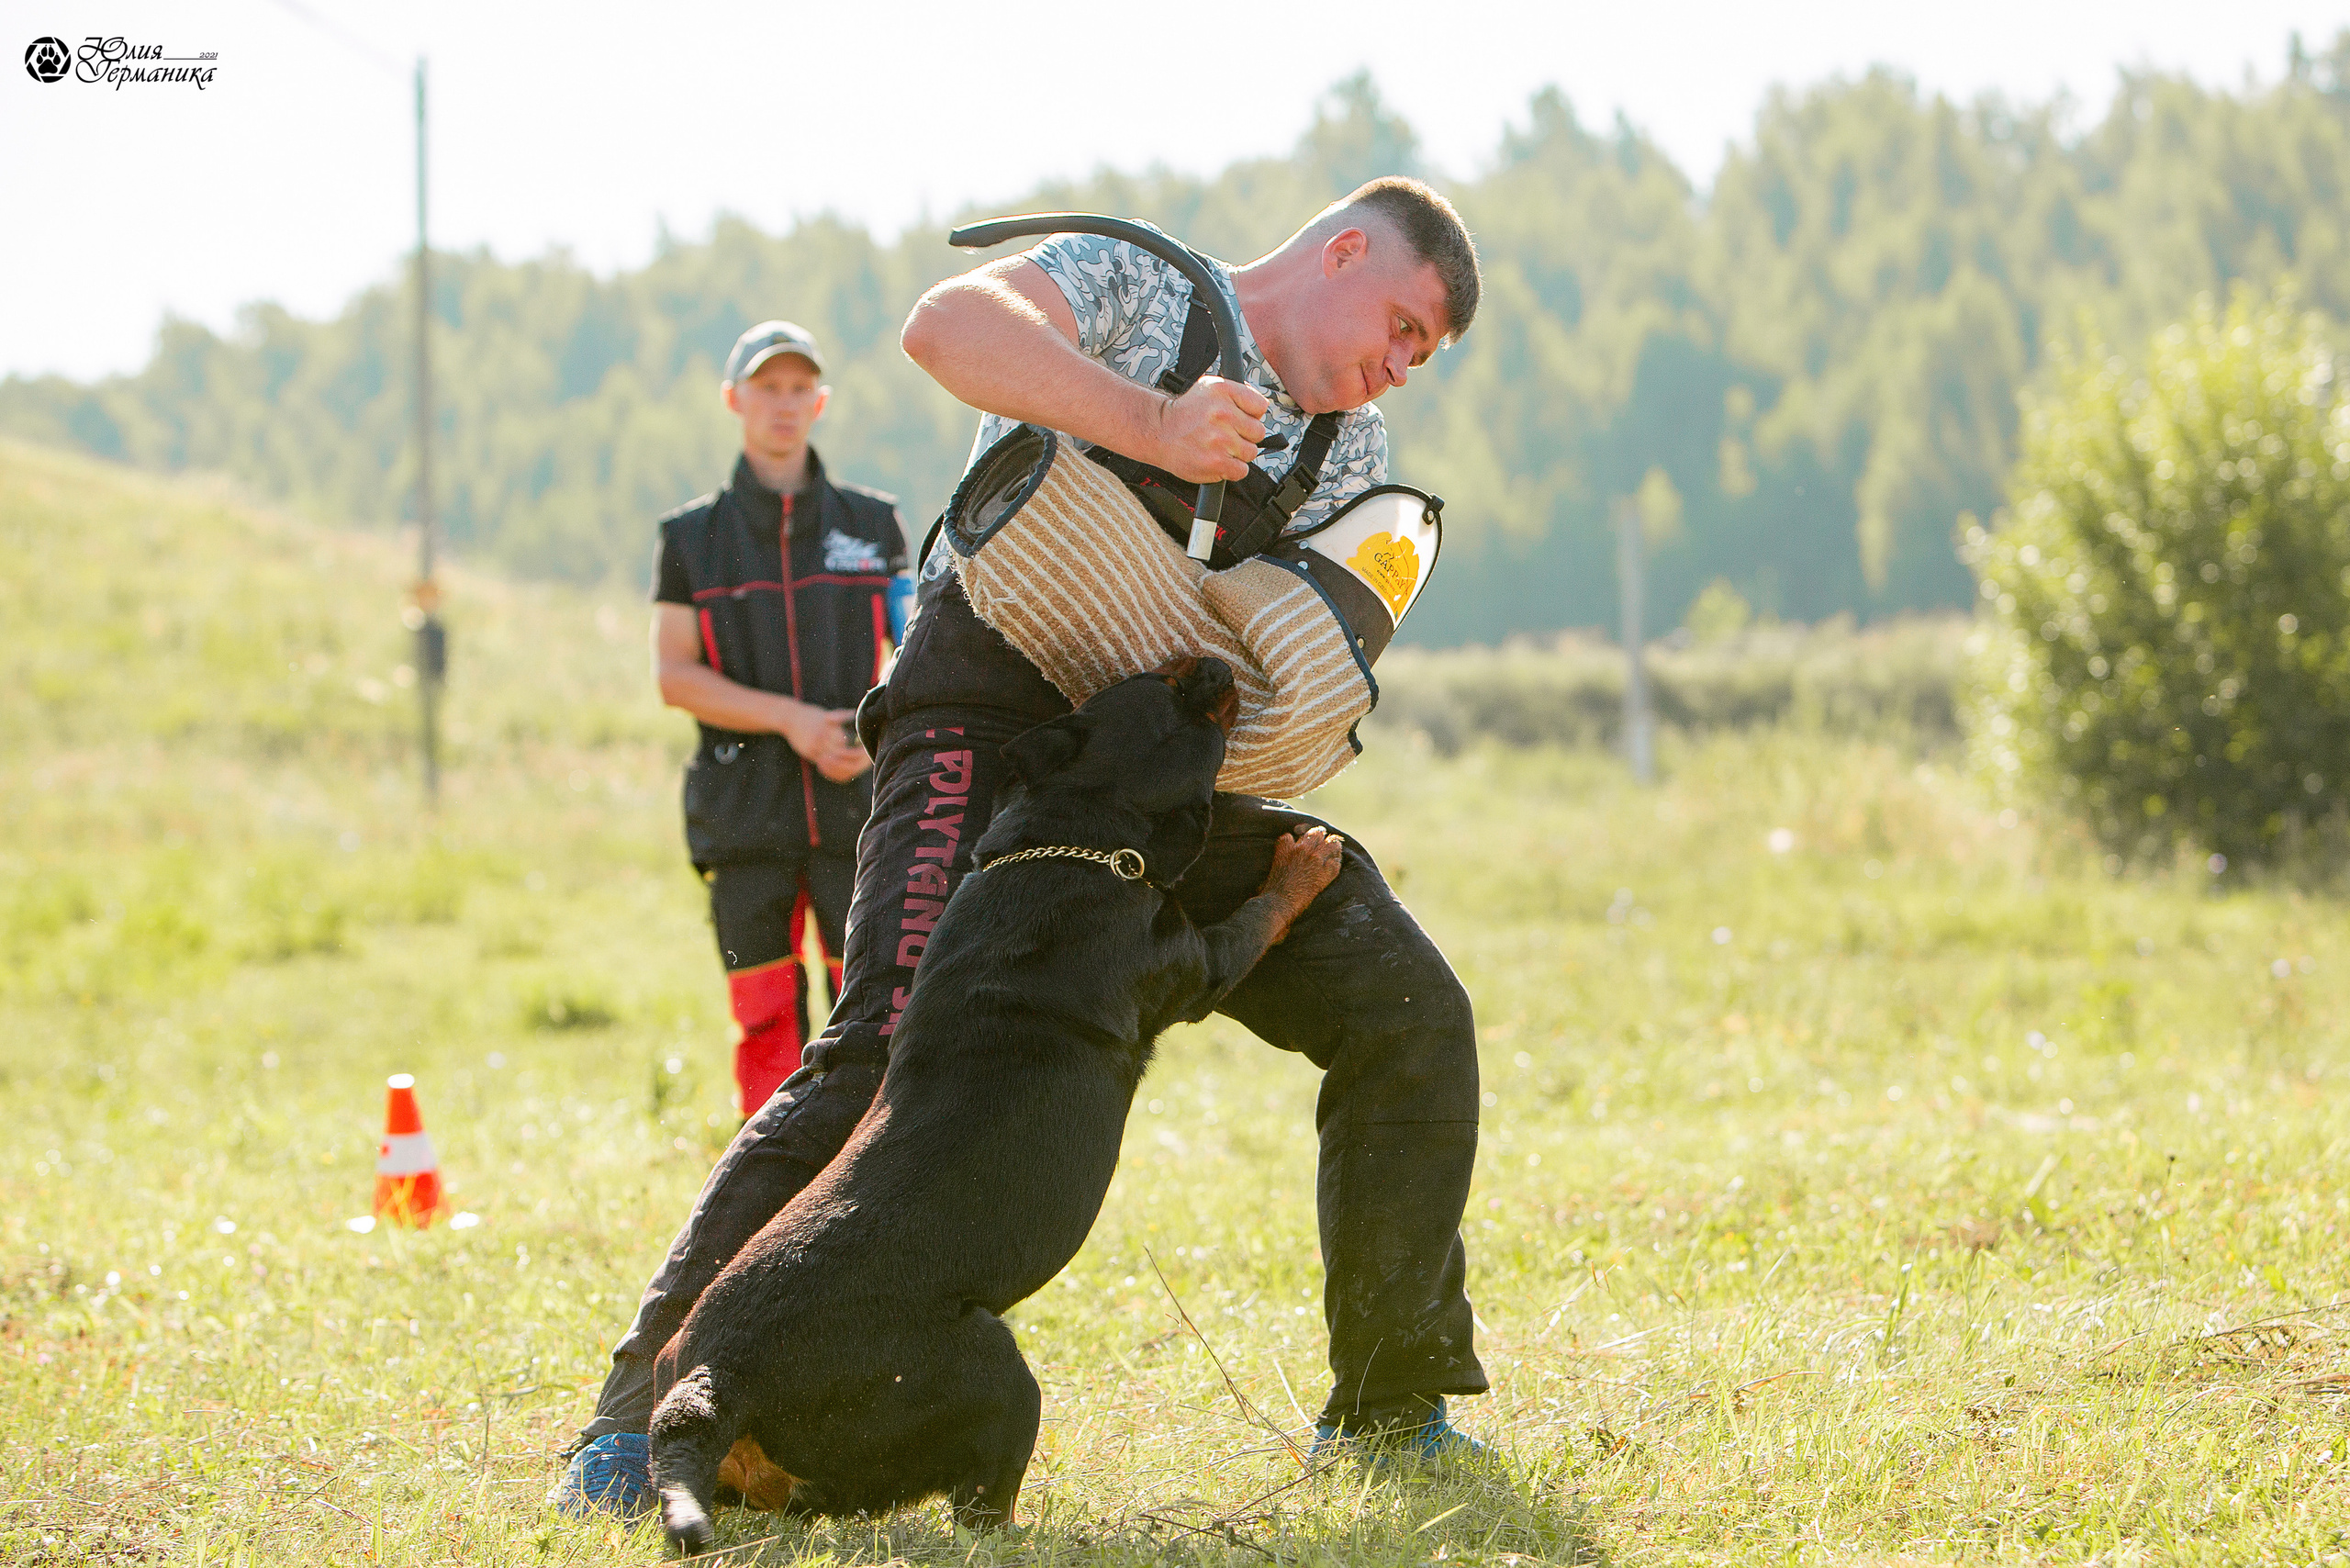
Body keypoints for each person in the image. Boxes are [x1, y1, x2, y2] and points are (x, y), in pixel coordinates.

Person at [554, 178, 1488, 1517]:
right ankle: (639, 1427)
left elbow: (1302, 639)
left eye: (1423, 356)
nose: (1399, 368)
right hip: (983, 726)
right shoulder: (1143, 286)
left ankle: (1390, 1413)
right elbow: (948, 328)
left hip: (1165, 791)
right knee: (879, 1042)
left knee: (1408, 1004)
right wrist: (1155, 422)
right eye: (1400, 324)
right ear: (1342, 250)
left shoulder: (1350, 452)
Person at [650, 320, 910, 1118]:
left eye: (801, 389)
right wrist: (793, 721)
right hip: (743, 815)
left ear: (821, 402)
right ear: (735, 400)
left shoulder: (874, 526)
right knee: (763, 1016)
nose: (785, 405)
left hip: (856, 811)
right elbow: (674, 676)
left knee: (864, 1011)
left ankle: (858, 1181)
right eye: (768, 388)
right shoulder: (691, 539)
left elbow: (916, 651)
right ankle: (765, 1185)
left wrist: (872, 733)